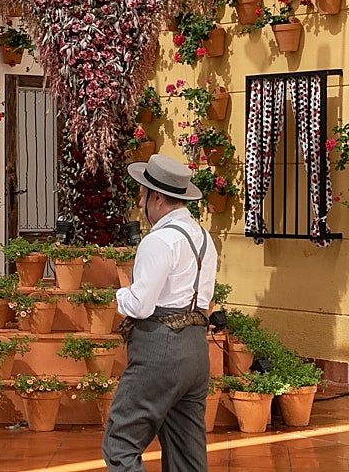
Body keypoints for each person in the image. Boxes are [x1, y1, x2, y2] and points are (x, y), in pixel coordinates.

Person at [102, 155, 219, 472]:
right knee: (187, 456)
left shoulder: (159, 241)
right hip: (196, 350)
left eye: (141, 195)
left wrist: (119, 293)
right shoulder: (205, 239)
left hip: (160, 349)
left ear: (156, 197)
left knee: (120, 443)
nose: (139, 202)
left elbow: (140, 305)